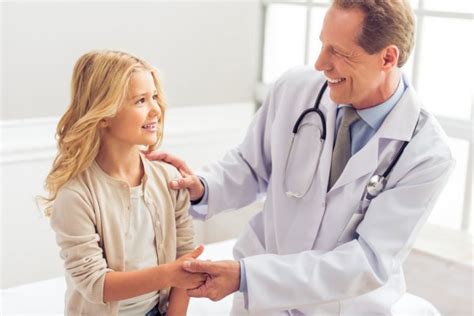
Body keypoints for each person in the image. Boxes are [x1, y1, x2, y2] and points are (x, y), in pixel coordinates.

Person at [147, 0, 456, 315]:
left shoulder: (426, 153)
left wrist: (246, 277)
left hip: (340, 307)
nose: (321, 63)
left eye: (338, 52)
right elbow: (251, 166)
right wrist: (203, 187)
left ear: (388, 57)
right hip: (262, 303)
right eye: (323, 45)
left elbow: (366, 261)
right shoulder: (297, 89)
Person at [42, 50, 207, 316]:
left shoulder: (169, 180)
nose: (156, 109)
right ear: (104, 114)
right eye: (140, 101)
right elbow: (95, 284)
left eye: (154, 97)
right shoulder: (76, 195)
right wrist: (170, 275)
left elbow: (184, 258)